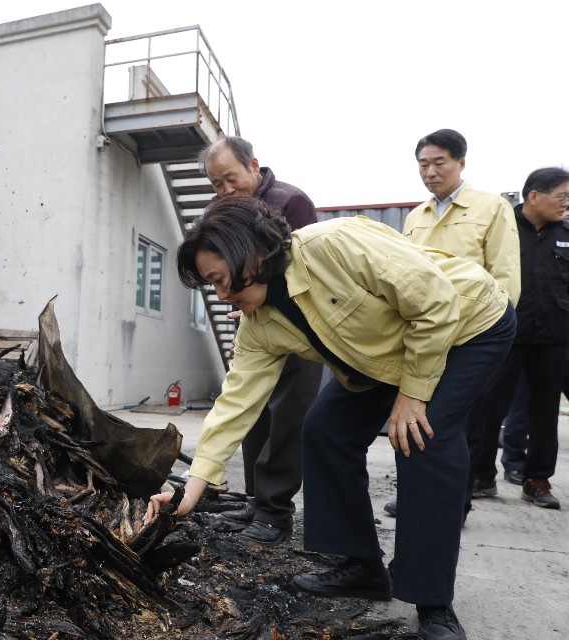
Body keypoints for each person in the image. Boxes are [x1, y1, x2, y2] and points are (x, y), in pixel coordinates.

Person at [145, 195, 515, 640]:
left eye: (221, 280)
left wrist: (414, 395)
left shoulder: (335, 243)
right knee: (324, 430)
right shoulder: (259, 324)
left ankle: (433, 601)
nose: (223, 295)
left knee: (421, 437)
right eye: (213, 286)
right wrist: (194, 488)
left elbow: (435, 303)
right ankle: (361, 566)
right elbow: (236, 402)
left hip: (466, 324)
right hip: (385, 355)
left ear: (252, 252)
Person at [383, 128, 520, 518]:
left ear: (461, 162)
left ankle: (455, 502)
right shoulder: (416, 216)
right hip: (428, 334)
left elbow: (506, 275)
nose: (430, 171)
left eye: (439, 162)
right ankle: (417, 494)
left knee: (461, 422)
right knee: (419, 420)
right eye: (423, 164)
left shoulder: (491, 208)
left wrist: (497, 336)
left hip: (473, 333)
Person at [197, 136, 323, 544]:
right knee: (250, 411)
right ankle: (255, 497)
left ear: (253, 165)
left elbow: (304, 274)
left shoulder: (291, 201)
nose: (226, 191)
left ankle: (275, 512)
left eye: (231, 178)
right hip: (252, 322)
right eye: (217, 185)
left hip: (299, 327)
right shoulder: (222, 213)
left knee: (287, 415)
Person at [471, 167, 569, 509]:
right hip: (506, 333)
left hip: (554, 337)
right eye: (561, 197)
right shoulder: (503, 227)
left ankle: (537, 480)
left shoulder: (567, 234)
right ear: (534, 196)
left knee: (545, 412)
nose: (566, 204)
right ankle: (481, 475)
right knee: (488, 406)